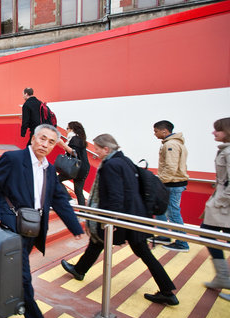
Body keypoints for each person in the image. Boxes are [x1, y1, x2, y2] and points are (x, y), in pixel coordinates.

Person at [0, 124, 84, 318]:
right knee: (24, 281)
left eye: (50, 142)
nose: (45, 145)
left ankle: (1, 306)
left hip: (31, 232)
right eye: (42, 139)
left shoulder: (49, 169)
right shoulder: (13, 159)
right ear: (33, 138)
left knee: (12, 274)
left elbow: (59, 199)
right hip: (11, 229)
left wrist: (75, 227)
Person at [60, 134, 179, 306]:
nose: (96, 151)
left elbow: (115, 195)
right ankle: (79, 270)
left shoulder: (111, 165)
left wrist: (109, 220)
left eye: (98, 148)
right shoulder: (125, 161)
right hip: (135, 215)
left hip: (125, 218)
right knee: (99, 242)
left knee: (133, 249)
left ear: (106, 149)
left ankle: (167, 292)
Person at [200, 117, 230, 301]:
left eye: (217, 130)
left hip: (224, 207)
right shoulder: (224, 151)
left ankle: (223, 277)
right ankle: (223, 276)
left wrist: (218, 202)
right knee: (207, 233)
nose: (214, 132)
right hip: (221, 205)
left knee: (207, 233)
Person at [152, 120, 189, 251]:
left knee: (173, 213)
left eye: (156, 131)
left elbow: (171, 167)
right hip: (172, 182)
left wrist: (160, 182)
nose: (154, 134)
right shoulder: (175, 143)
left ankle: (182, 243)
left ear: (164, 131)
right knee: (162, 209)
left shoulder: (170, 145)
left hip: (172, 184)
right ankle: (164, 235)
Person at [57, 121, 90, 205]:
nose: (66, 131)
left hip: (75, 168)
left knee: (56, 180)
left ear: (72, 129)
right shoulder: (80, 139)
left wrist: (62, 144)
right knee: (78, 191)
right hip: (83, 168)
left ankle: (69, 199)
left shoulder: (74, 139)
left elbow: (74, 152)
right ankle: (83, 214)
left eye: (67, 129)